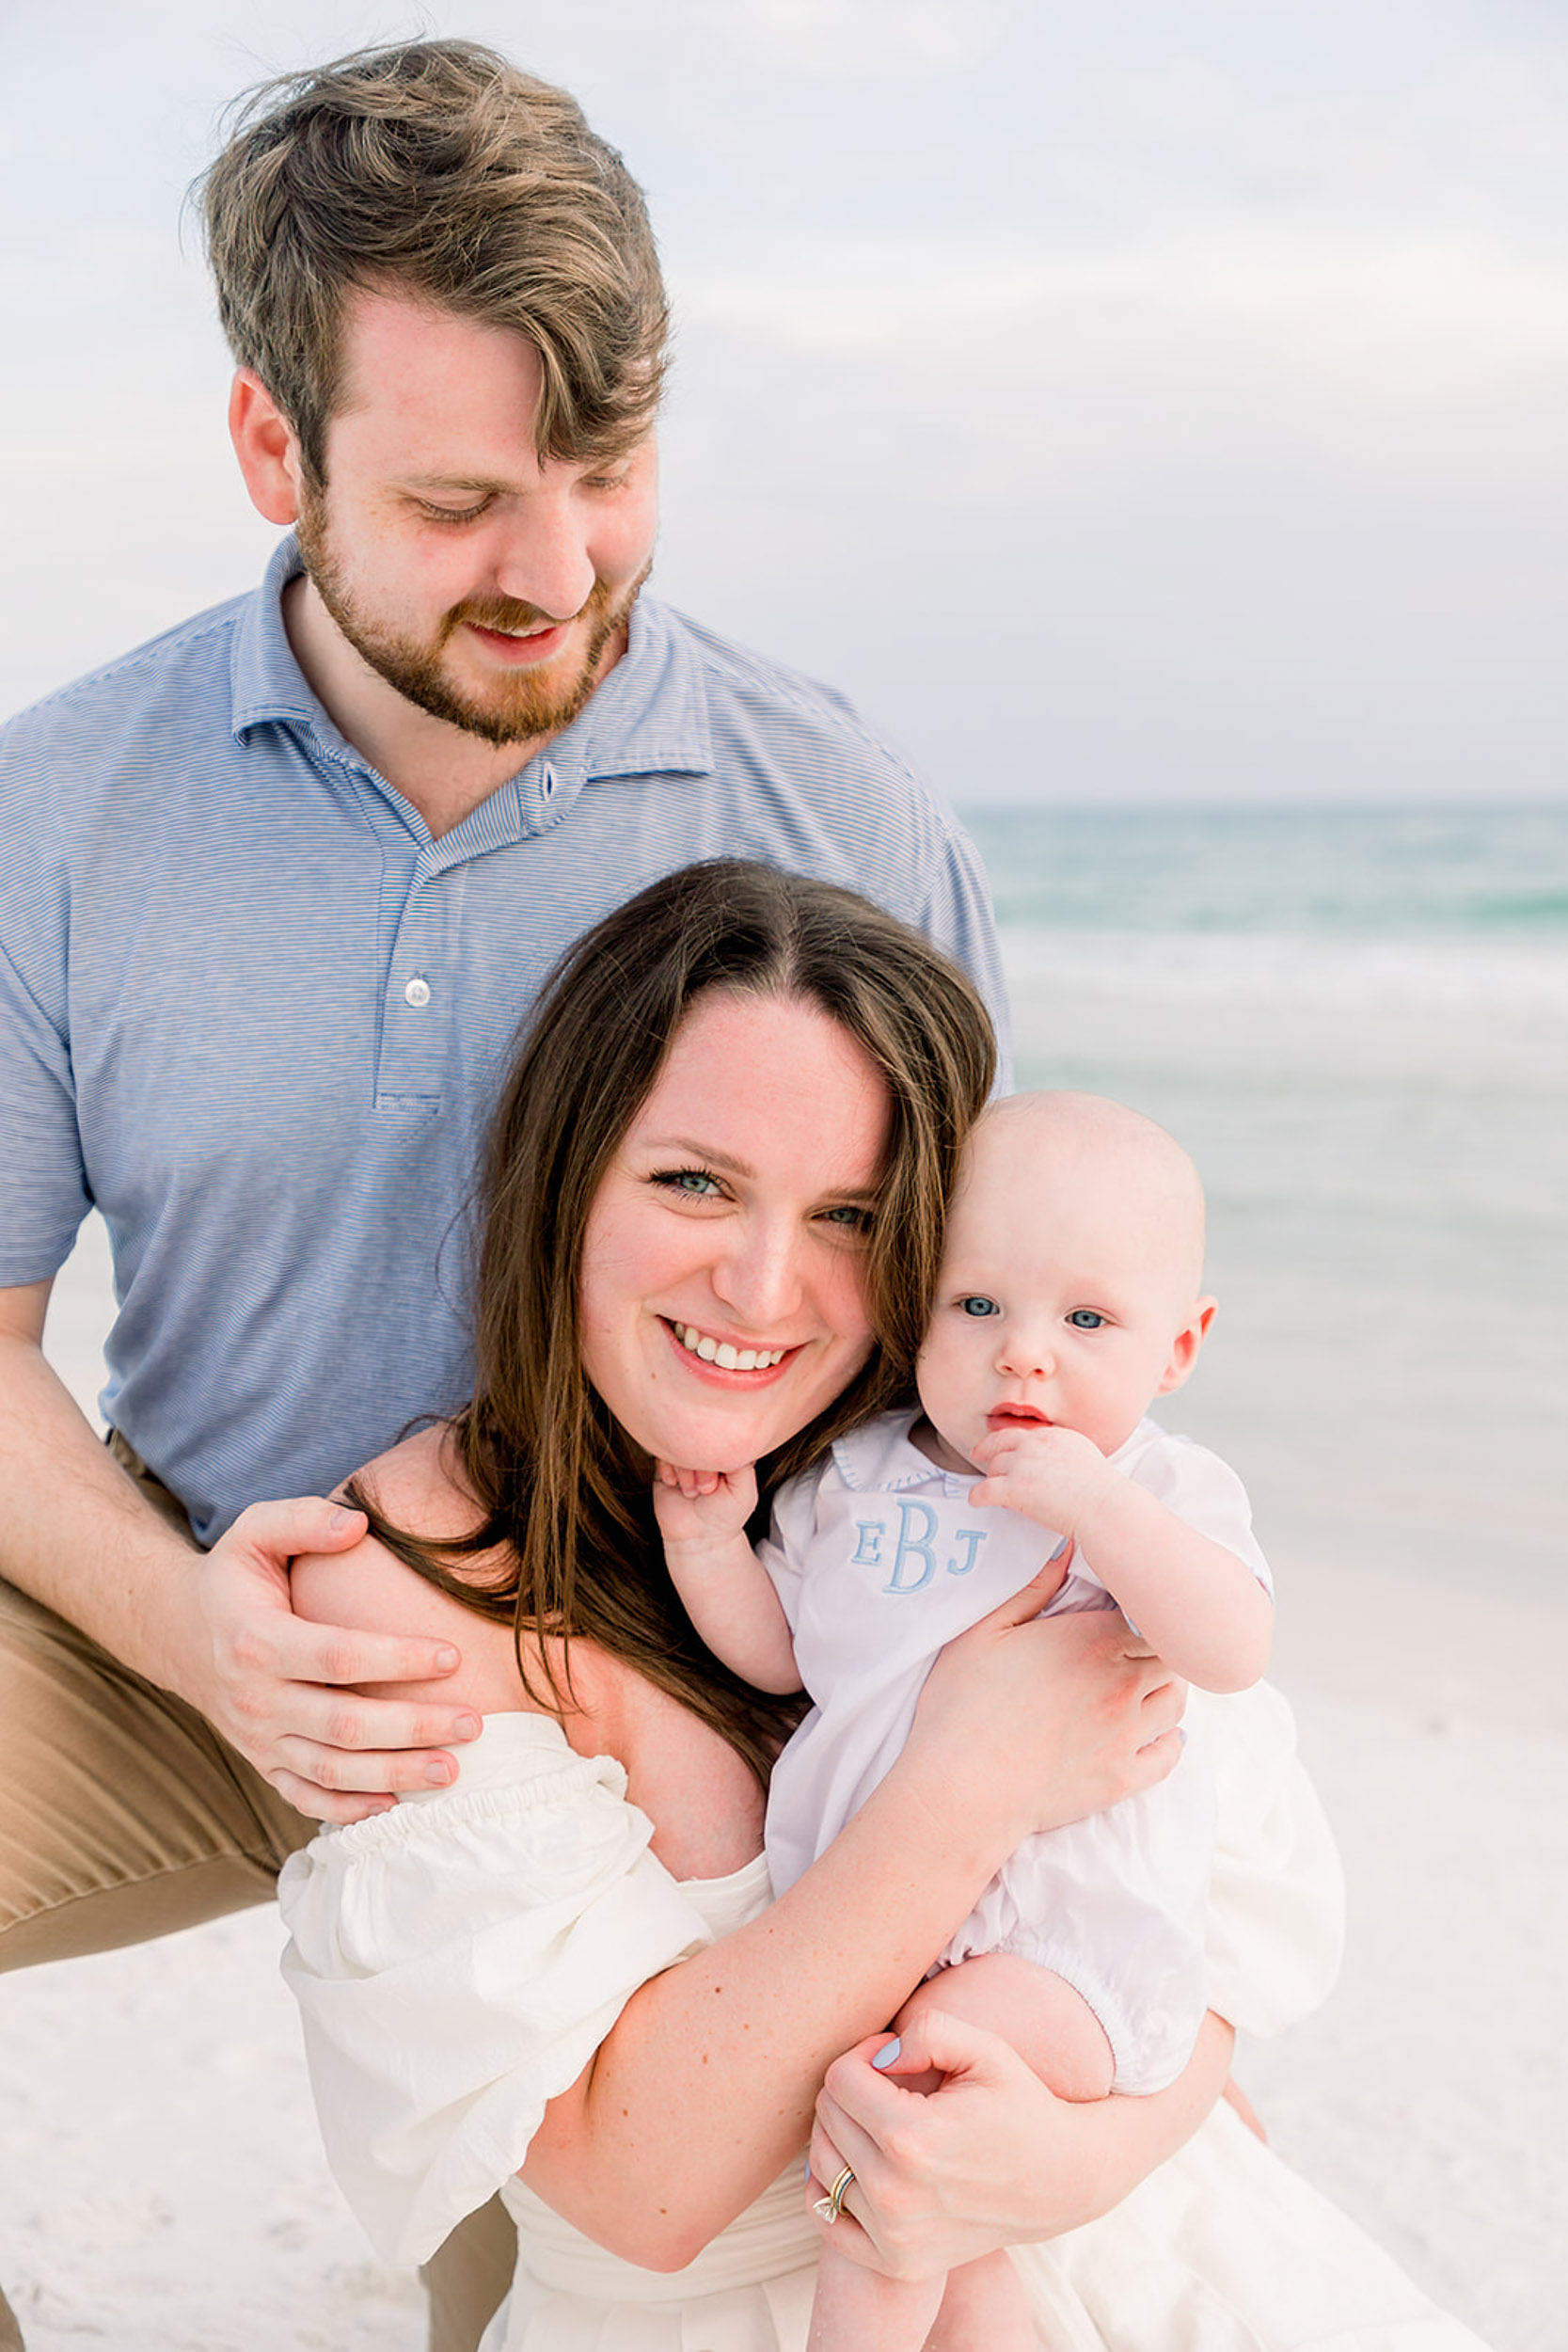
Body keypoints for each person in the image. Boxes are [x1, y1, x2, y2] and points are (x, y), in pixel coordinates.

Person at [0, 41, 1003, 2351]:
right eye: (457, 500)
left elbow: (969, 1379)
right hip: (199, 1617)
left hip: (667, 1718)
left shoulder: (844, 813)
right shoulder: (57, 813)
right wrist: (207, 1640)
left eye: (609, 470)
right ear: (275, 446)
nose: (554, 569)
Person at [279, 862, 1484, 2352]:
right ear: (566, 1170)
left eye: (850, 1214)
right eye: (694, 1181)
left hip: (1123, 2230)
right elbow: (635, 2184)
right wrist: (968, 1780)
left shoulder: (981, 1488)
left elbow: (1213, 1948)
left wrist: (1086, 2156)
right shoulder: (414, 1574)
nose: (764, 1286)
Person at [657, 1089, 1275, 2350]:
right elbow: (785, 1657)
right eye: (978, 1305)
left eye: (1087, 1319)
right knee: (959, 2245)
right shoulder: (858, 1477)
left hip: (1061, 1948)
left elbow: (1231, 1647)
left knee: (904, 2122)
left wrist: (1099, 1512)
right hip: (883, 1932)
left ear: (1179, 1348)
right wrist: (710, 1542)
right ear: (916, 1308)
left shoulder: (1158, 1485)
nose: (1024, 1353)